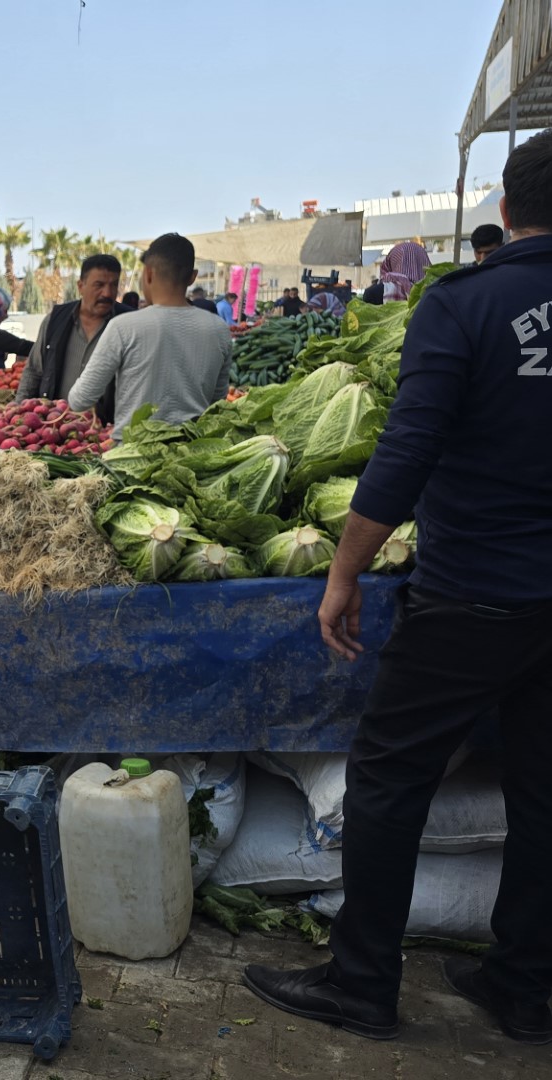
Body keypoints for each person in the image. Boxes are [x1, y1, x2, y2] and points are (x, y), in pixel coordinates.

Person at [244, 130, 552, 1047]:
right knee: (542, 791)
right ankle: (526, 987)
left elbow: (405, 451)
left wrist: (343, 573)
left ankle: (362, 983)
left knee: (386, 781)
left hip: (474, 596)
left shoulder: (465, 304)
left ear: (505, 208)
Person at [69, 233, 233, 427]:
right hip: (193, 451)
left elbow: (80, 399)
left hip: (133, 453)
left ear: (147, 274)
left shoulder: (123, 327)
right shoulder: (219, 330)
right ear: (192, 277)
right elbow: (217, 402)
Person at [18, 253, 122, 420]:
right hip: (55, 428)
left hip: (106, 432)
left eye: (114, 285)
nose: (107, 293)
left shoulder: (126, 324)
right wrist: (19, 412)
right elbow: (33, 371)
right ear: (81, 286)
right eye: (99, 285)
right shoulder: (55, 320)